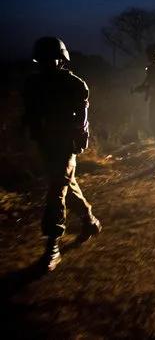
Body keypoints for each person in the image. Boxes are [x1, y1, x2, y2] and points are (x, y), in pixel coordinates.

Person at [21, 37, 102, 271]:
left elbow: (82, 117)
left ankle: (52, 245)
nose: (47, 63)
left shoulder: (74, 84)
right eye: (43, 59)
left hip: (66, 144)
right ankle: (89, 221)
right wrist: (25, 131)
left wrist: (81, 138)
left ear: (61, 58)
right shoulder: (33, 83)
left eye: (51, 58)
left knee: (56, 189)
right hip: (46, 144)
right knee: (65, 184)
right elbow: (30, 112)